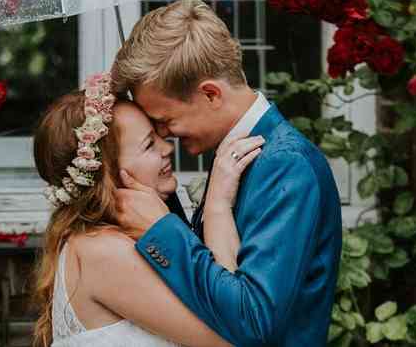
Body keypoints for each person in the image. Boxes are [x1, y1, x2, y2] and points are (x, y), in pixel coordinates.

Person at [111, 0, 343, 347]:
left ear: (210, 94)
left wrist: (163, 230)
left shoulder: (285, 166)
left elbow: (252, 321)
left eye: (164, 120)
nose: (164, 136)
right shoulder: (237, 156)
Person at [30, 72, 263, 346]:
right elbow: (238, 337)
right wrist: (217, 206)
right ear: (110, 174)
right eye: (149, 143)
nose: (168, 147)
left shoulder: (115, 241)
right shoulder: (102, 251)